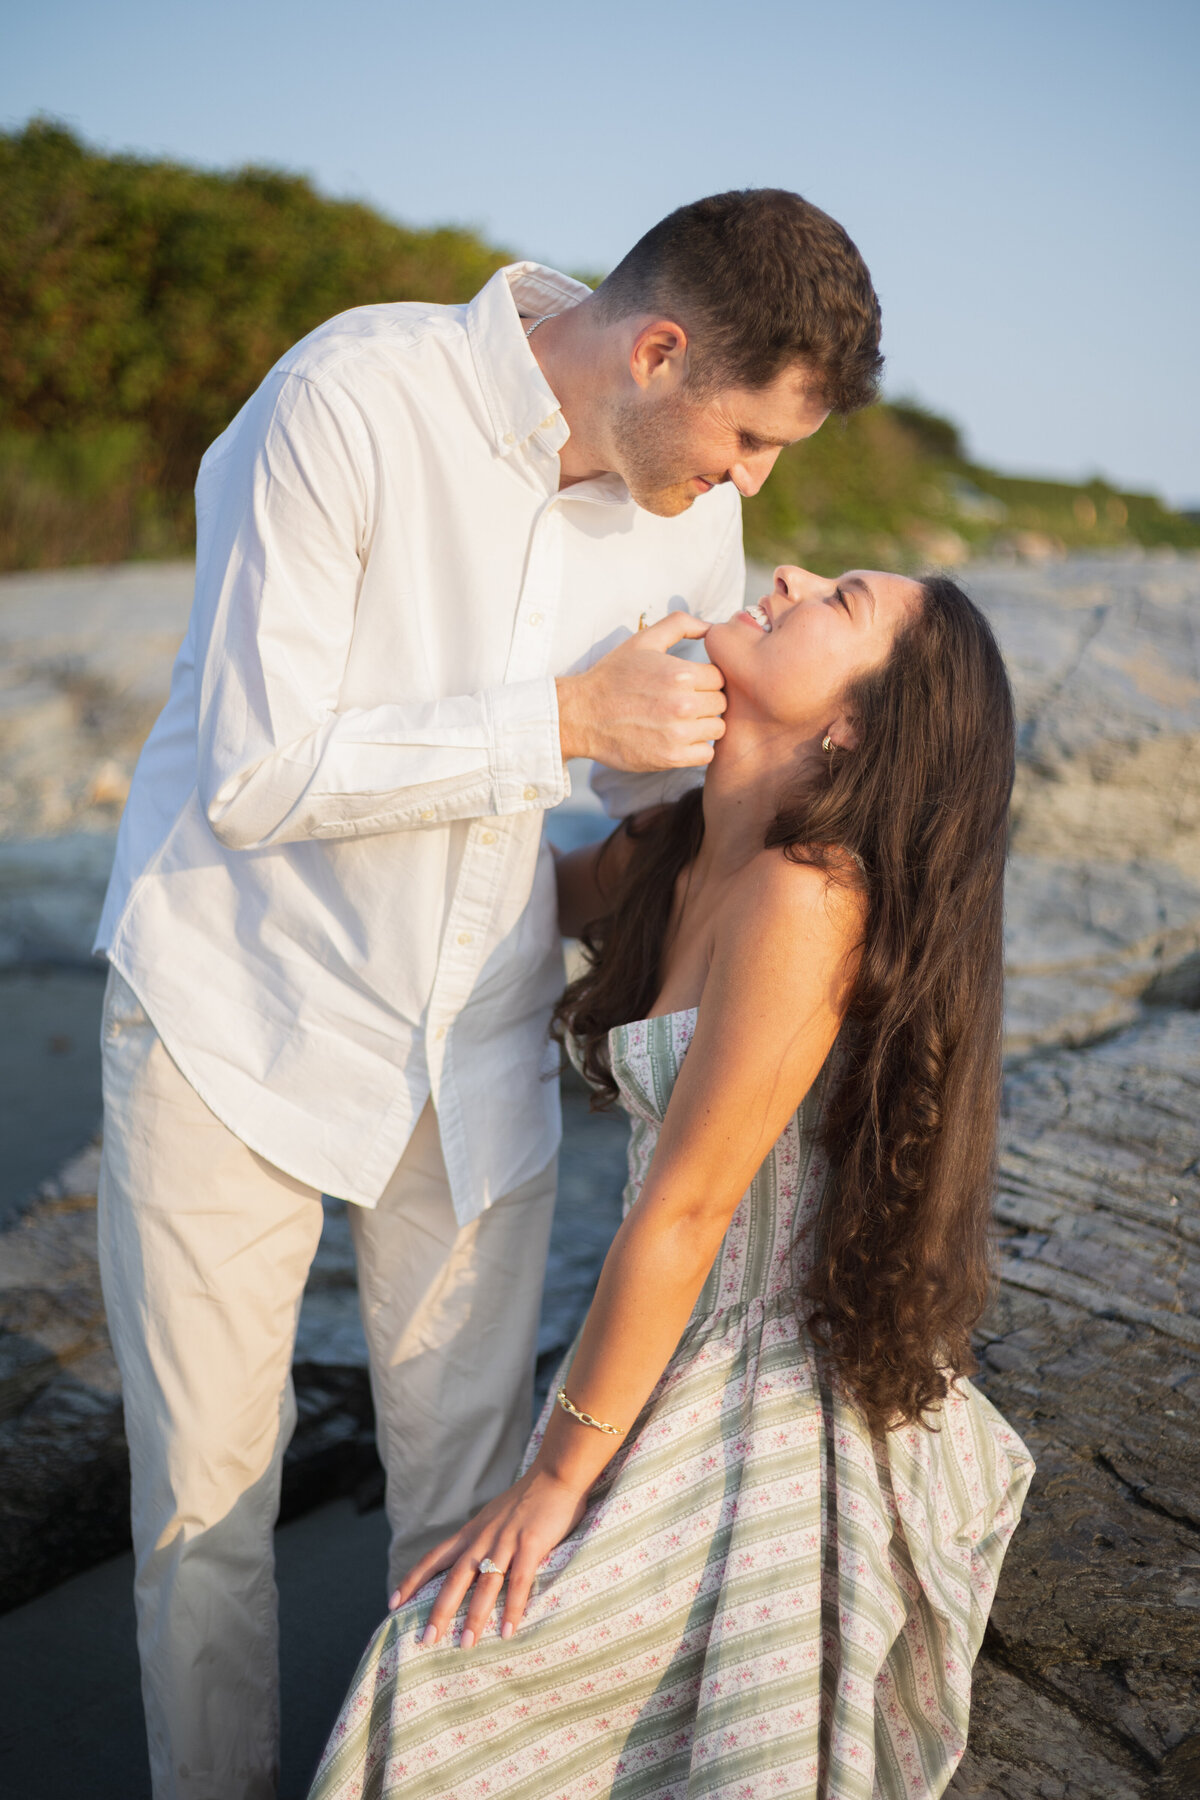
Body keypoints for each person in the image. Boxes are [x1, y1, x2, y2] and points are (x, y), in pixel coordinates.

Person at [93, 191, 883, 1800]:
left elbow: (657, 822)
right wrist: (554, 719)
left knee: (468, 1505)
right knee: (204, 1515)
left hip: (479, 1043)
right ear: (658, 350)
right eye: (744, 437)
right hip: (232, 1011)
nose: (750, 487)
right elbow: (254, 774)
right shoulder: (347, 401)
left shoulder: (694, 516)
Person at [306, 562, 1035, 1800]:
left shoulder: (811, 895)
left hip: (761, 1382)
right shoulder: (680, 843)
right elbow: (502, 900)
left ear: (852, 722)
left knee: (439, 1670)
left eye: (841, 598)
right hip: (660, 1346)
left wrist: (552, 1481)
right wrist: (565, 721)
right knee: (440, 1658)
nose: (791, 572)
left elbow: (687, 1212)